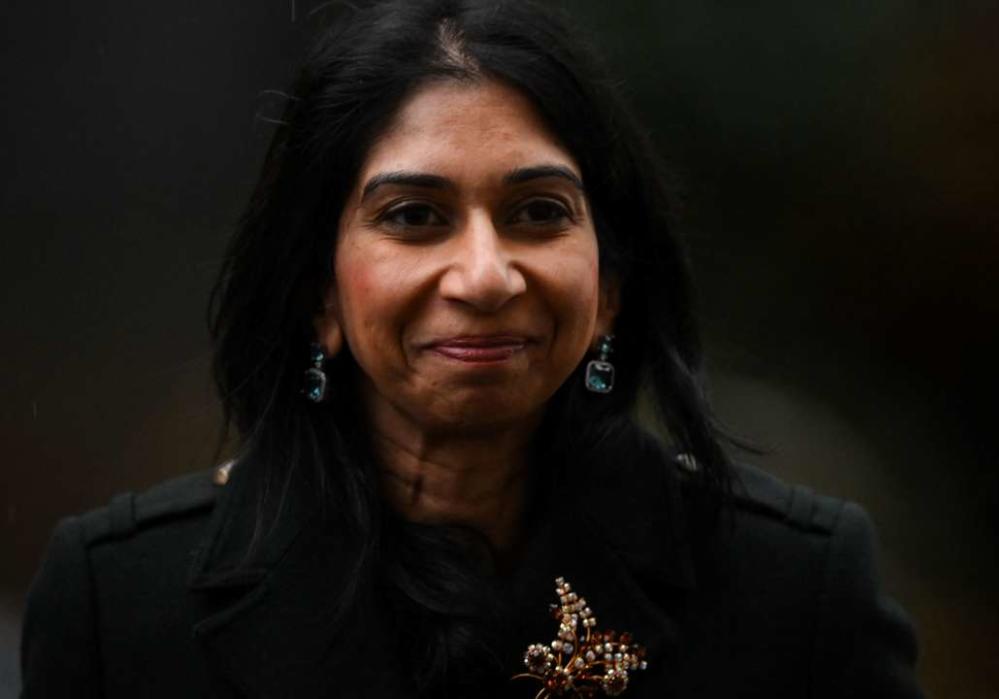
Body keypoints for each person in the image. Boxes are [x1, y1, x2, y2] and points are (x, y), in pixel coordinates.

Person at [20, 1, 923, 696]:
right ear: (317, 292)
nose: (486, 275)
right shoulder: (121, 603)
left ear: (607, 288)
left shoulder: (795, 589)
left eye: (538, 213)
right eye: (415, 218)